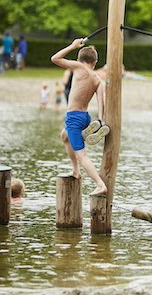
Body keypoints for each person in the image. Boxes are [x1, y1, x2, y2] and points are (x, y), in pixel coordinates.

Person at [51, 39, 110, 195]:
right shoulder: (98, 79)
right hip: (86, 117)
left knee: (82, 155)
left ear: (79, 60)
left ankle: (100, 184)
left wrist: (72, 45)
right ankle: (76, 170)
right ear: (95, 62)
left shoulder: (78, 67)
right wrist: (102, 119)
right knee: (64, 136)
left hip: (74, 117)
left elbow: (55, 58)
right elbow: (101, 102)